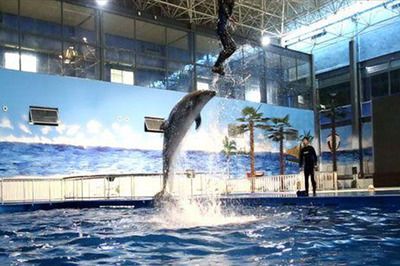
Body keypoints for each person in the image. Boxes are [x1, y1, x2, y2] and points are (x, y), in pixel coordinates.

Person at [212, 0, 237, 76]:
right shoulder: (223, 5)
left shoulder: (228, 7)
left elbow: (228, 13)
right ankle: (217, 65)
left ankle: (218, 65)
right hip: (222, 30)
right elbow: (224, 10)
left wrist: (231, 17)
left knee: (231, 48)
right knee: (231, 47)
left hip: (222, 30)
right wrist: (230, 17)